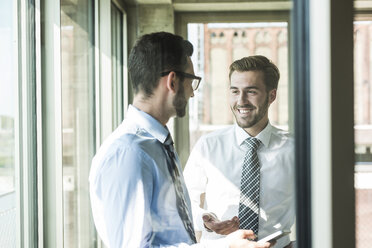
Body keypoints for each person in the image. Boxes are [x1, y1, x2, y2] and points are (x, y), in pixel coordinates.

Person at [89, 32, 274, 248]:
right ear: (173, 81)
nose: (192, 94)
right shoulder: (130, 153)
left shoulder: (156, 146)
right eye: (192, 82)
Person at [183, 55, 295, 248]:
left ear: (272, 95)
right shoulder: (208, 146)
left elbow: (319, 209)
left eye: (251, 92)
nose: (241, 101)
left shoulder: (294, 150)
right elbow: (182, 204)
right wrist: (206, 219)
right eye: (235, 91)